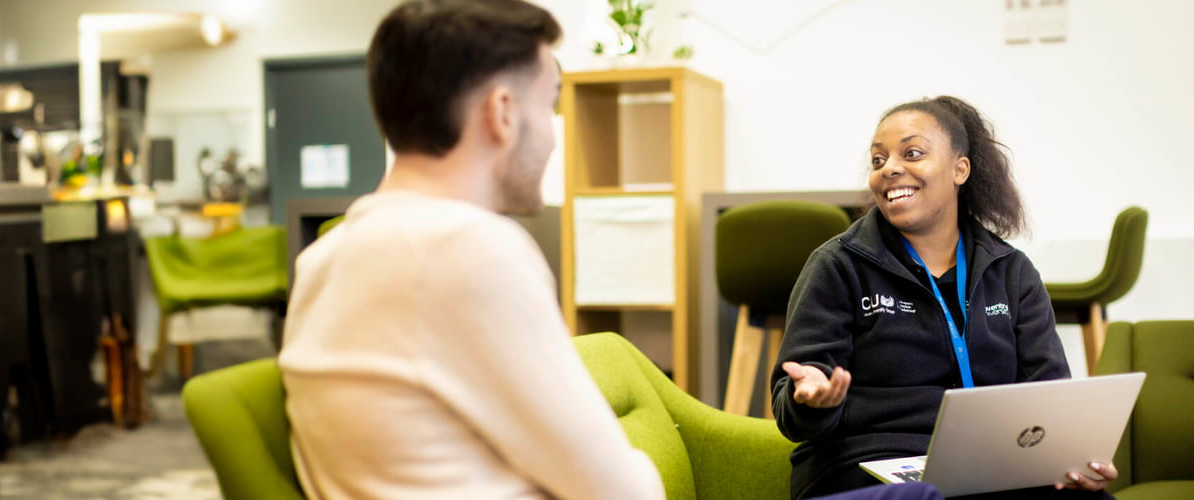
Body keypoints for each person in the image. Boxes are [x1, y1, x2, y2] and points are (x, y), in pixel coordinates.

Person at [279, 1, 942, 499]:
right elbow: (620, 491)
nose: (548, 137)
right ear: (502, 113)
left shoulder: (326, 259)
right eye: (551, 107)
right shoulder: (468, 250)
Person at [772, 96, 1118, 500]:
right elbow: (790, 410)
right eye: (878, 160)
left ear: (960, 169)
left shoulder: (1011, 271)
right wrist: (812, 401)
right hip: (862, 468)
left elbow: (1050, 396)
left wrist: (1073, 457)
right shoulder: (838, 265)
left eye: (912, 153)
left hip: (989, 467)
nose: (890, 169)